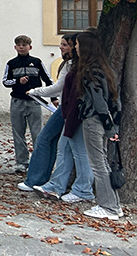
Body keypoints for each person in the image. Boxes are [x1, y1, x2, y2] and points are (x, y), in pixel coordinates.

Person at [25, 34, 94, 202]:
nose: (62, 47)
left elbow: (62, 88)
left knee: (78, 151)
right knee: (64, 149)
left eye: (70, 44)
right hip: (69, 110)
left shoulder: (82, 67)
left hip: (75, 112)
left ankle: (83, 190)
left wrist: (35, 91)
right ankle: (55, 186)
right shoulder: (74, 65)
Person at [74, 31, 123, 220]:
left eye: (78, 44)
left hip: (94, 121)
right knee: (103, 163)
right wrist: (114, 125)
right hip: (105, 121)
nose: (76, 48)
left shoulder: (89, 71)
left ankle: (108, 207)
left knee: (98, 165)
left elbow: (99, 102)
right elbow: (114, 100)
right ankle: (114, 204)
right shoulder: (106, 68)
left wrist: (109, 126)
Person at [2, 35, 53, 172]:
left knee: (37, 132)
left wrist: (53, 97)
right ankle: (22, 162)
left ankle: (38, 161)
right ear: (15, 47)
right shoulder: (11, 63)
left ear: (30, 47)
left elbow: (48, 80)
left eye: (24, 44)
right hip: (17, 101)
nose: (22, 47)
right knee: (18, 132)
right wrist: (18, 81)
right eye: (19, 44)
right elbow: (5, 81)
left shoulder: (36, 62)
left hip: (34, 101)